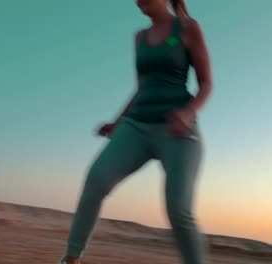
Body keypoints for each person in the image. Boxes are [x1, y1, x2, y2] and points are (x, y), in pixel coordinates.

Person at [58, 0, 213, 263]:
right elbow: (141, 88)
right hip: (136, 126)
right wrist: (117, 122)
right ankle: (70, 260)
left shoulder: (188, 28)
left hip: (177, 129)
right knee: (96, 180)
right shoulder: (139, 38)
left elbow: (206, 83)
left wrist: (188, 113)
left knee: (178, 210)